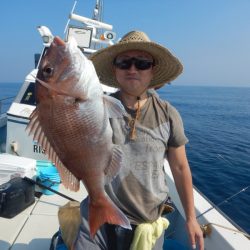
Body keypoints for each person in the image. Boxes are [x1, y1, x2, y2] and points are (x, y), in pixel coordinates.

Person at [74, 31, 204, 250]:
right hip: (98, 216)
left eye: (142, 63)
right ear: (115, 69)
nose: (132, 69)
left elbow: (180, 167)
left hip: (147, 223)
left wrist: (191, 218)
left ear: (152, 70)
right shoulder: (96, 107)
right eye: (124, 62)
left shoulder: (168, 114)